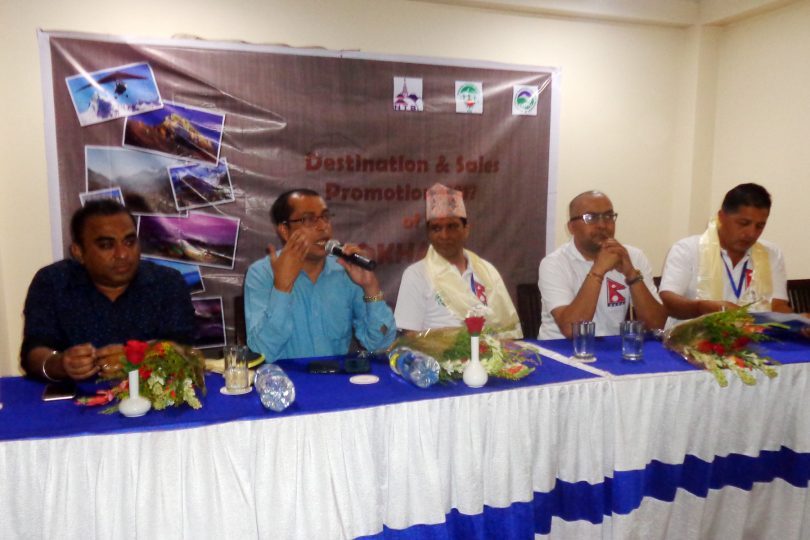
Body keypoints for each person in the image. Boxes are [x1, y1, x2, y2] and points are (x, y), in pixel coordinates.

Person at [20, 200, 196, 383]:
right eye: (106, 245)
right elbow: (33, 351)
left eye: (129, 242)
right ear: (78, 252)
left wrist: (139, 356)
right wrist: (60, 364)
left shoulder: (167, 282)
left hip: (151, 394)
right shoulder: (53, 283)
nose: (122, 254)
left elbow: (184, 349)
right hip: (76, 396)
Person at [244, 188, 396, 360]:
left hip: (336, 376)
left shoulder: (344, 270)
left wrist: (371, 289)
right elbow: (261, 352)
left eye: (325, 217)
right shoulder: (261, 274)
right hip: (282, 376)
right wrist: (281, 288)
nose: (323, 226)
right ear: (285, 231)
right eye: (309, 219)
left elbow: (380, 344)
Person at [394, 183, 522, 338]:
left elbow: (507, 329)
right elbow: (410, 337)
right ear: (428, 234)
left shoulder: (487, 271)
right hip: (438, 353)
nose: (444, 235)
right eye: (436, 228)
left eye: (452, 226)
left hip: (492, 350)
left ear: (466, 230)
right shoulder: (416, 274)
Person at [538, 190, 666, 339]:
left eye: (608, 216)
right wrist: (598, 269)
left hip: (611, 347)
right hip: (561, 348)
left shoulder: (633, 257)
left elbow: (657, 325)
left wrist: (631, 274)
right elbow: (571, 330)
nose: (602, 225)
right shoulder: (554, 264)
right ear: (571, 227)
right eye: (591, 217)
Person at [659, 183, 791, 324]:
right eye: (743, 223)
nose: (751, 233)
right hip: (692, 335)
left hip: (753, 335)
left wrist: (798, 322)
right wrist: (702, 307)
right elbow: (668, 301)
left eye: (760, 226)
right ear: (721, 217)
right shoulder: (687, 249)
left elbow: (777, 305)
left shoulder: (771, 254)